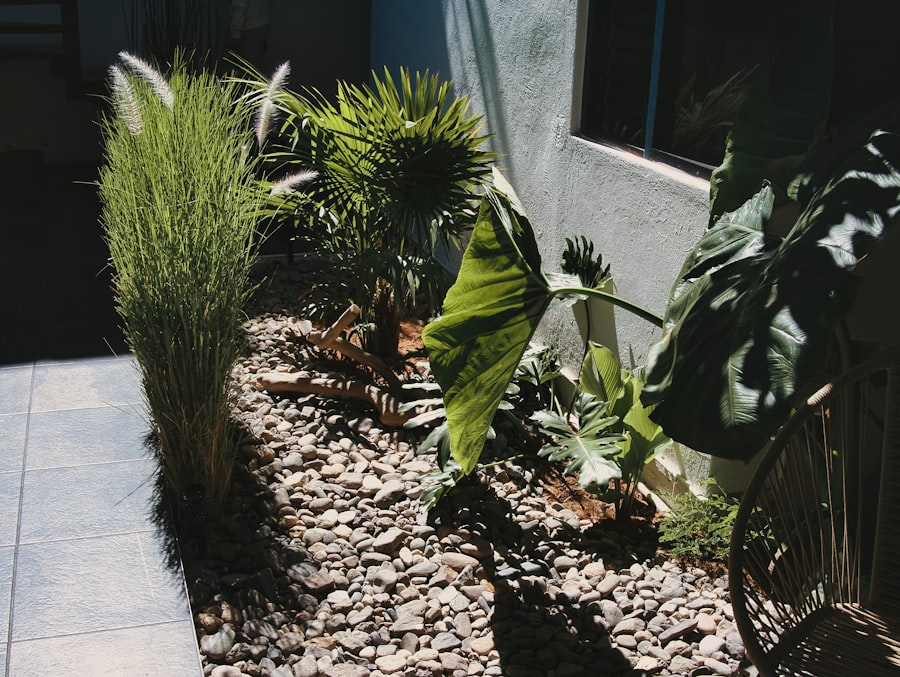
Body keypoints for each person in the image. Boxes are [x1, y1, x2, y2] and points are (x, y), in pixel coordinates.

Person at [229, 0, 271, 69]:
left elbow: (240, 7)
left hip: (247, 27)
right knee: (253, 67)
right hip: (262, 23)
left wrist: (235, 34)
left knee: (243, 67)